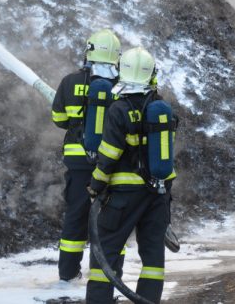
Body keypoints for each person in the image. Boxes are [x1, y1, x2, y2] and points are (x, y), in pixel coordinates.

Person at [86, 47, 177, 304]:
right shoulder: (161, 109)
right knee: (152, 258)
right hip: (158, 194)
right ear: (150, 74)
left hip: (123, 196)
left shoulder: (119, 109)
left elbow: (109, 153)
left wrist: (96, 184)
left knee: (106, 252)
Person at [51, 28, 121, 281]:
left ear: (90, 52)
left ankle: (68, 274)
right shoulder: (121, 86)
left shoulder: (70, 82)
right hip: (112, 163)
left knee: (75, 216)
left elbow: (58, 118)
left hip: (78, 161)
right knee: (111, 219)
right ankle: (107, 274)